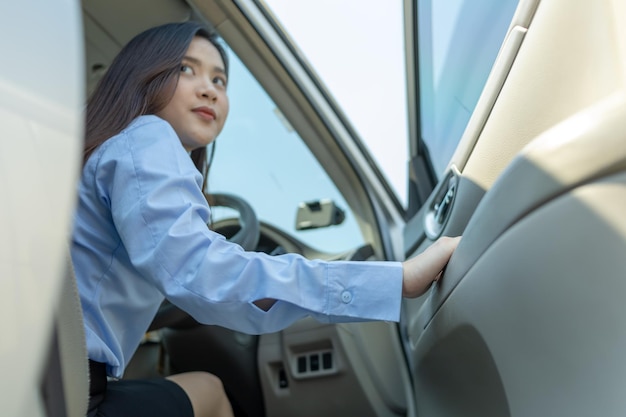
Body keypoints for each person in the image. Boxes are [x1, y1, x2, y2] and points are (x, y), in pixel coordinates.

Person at [72, 21, 461, 417]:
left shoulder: (108, 149)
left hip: (61, 384)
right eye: (185, 69)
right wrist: (397, 279)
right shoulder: (147, 137)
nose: (209, 89)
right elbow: (198, 270)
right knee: (211, 392)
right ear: (142, 76)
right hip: (78, 396)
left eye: (220, 80)